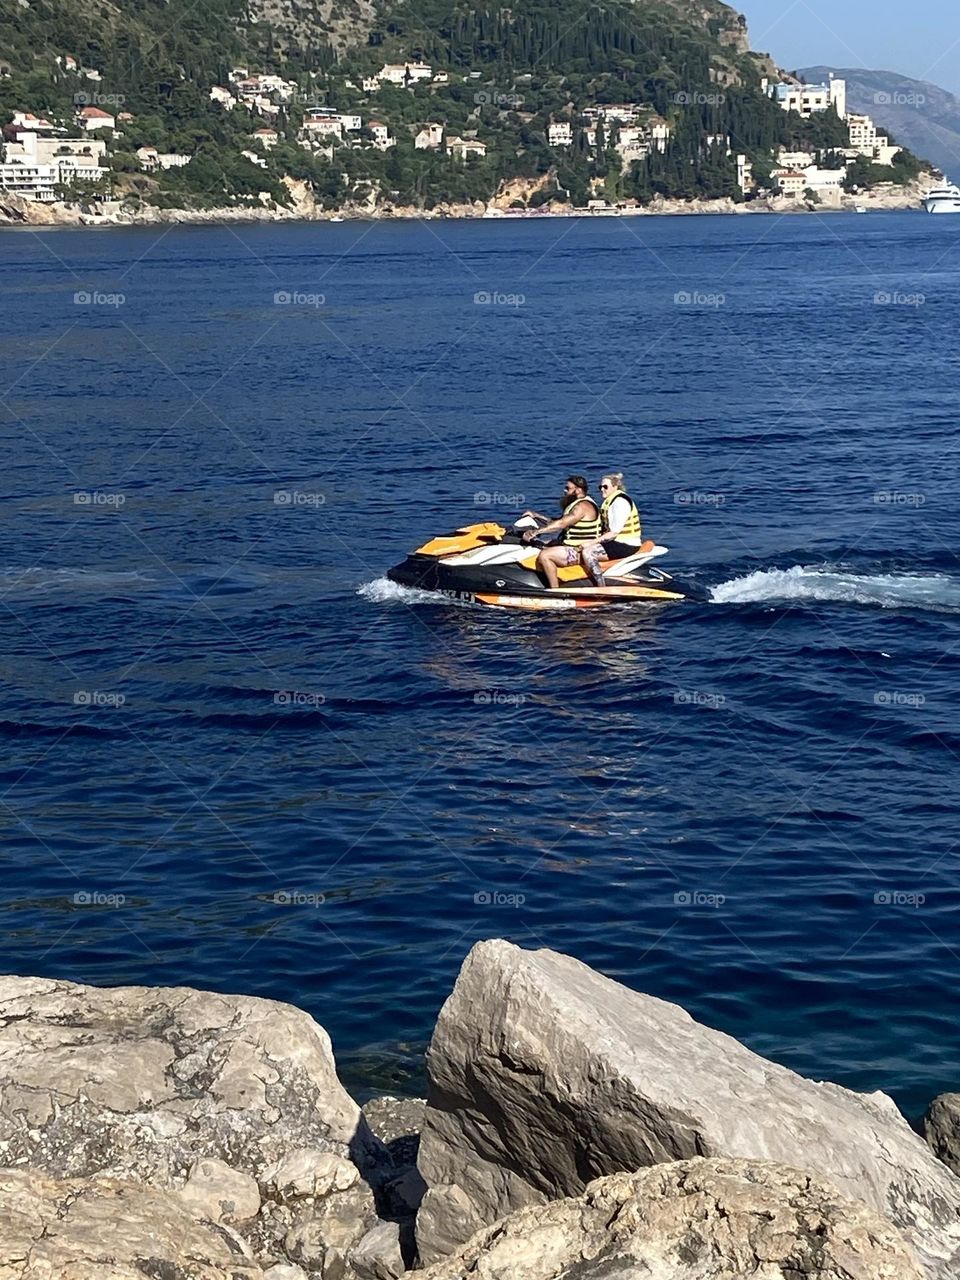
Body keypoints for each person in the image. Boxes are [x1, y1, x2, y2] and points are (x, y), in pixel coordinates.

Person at [520, 476, 600, 589]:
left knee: (545, 556)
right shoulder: (575, 504)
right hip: (570, 545)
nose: (565, 490)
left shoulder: (583, 506)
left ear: (578, 490)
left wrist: (536, 532)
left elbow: (561, 524)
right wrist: (536, 516)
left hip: (580, 550)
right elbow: (557, 522)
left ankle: (555, 590)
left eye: (568, 488)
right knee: (542, 545)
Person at [579, 473, 642, 586]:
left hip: (626, 545)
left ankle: (600, 584)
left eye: (605, 487)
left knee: (588, 552)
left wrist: (591, 543)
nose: (602, 489)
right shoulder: (611, 501)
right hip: (616, 542)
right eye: (600, 487)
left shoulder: (620, 502)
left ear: (615, 486)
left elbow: (614, 532)